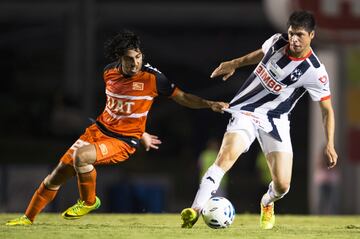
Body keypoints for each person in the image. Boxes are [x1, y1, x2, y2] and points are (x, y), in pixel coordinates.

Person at [6, 30, 228, 225]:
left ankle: (88, 201)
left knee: (81, 158)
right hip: (98, 130)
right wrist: (144, 132)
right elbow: (122, 110)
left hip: (122, 141)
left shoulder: (153, 78)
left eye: (138, 57)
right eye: (130, 59)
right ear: (119, 59)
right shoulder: (108, 72)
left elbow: (183, 97)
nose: (135, 63)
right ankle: (27, 218)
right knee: (57, 174)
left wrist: (209, 104)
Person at [180, 10, 338, 230]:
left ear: (312, 35)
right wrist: (234, 63)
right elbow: (260, 54)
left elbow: (327, 110)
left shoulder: (315, 72)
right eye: (291, 33)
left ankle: (267, 202)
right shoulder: (276, 41)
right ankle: (194, 210)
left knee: (282, 185)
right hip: (245, 111)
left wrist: (329, 143)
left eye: (300, 34)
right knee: (225, 156)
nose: (294, 39)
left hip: (276, 121)